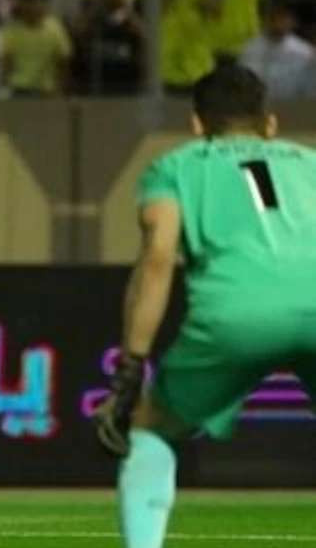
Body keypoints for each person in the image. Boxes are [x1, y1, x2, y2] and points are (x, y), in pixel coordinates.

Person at [94, 64, 316, 548]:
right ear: (270, 124)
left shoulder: (175, 167)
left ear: (197, 125)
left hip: (236, 311)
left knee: (152, 427)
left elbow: (157, 262)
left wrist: (131, 367)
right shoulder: (310, 162)